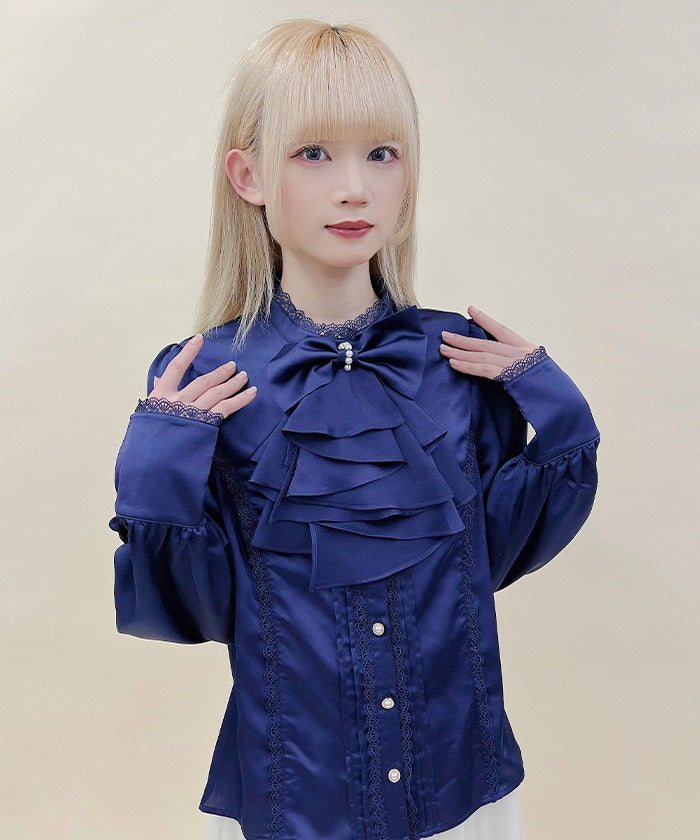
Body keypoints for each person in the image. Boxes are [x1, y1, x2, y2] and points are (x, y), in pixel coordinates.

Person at [108, 18, 601, 840]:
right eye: (313, 154)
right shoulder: (209, 380)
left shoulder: (459, 364)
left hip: (463, 790)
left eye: (382, 153)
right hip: (292, 796)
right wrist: (156, 467)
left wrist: (560, 412)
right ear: (248, 175)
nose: (354, 189)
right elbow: (201, 607)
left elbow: (491, 557)